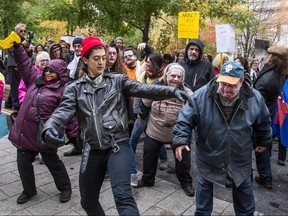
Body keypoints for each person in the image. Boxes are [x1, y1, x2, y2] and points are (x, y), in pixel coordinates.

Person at [41, 36, 191, 216]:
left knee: (123, 197)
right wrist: (49, 129)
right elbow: (61, 112)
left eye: (103, 58)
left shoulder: (118, 80)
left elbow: (145, 89)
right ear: (85, 60)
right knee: (87, 201)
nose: (101, 62)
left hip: (117, 145)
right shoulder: (75, 88)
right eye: (96, 58)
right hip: (92, 148)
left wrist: (172, 90)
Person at [173, 61, 272, 215]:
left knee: (244, 197)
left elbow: (264, 122)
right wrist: (180, 140)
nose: (226, 89)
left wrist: (264, 140)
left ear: (242, 82)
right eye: (223, 83)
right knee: (203, 198)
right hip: (208, 153)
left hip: (240, 156)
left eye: (232, 85)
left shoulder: (254, 98)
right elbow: (185, 119)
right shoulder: (202, 94)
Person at [8, 37, 78, 205]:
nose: (47, 73)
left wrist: (75, 136)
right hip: (26, 133)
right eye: (46, 70)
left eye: (52, 71)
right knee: (23, 162)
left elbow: (69, 115)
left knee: (52, 162)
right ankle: (29, 190)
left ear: (60, 73)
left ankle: (65, 187)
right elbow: (24, 64)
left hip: (45, 135)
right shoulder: (35, 81)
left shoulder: (63, 91)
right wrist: (18, 48)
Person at [135, 63, 194, 197]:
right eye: (173, 76)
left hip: (178, 133)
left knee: (183, 159)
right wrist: (142, 116)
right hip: (155, 129)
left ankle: (186, 182)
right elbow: (144, 105)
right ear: (166, 75)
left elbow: (194, 111)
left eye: (179, 77)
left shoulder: (187, 92)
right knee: (149, 155)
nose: (176, 79)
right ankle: (147, 180)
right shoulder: (156, 88)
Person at [130, 52, 168, 186]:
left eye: (149, 64)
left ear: (157, 65)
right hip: (142, 116)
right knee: (132, 140)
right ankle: (131, 165)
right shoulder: (143, 76)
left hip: (156, 117)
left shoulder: (164, 78)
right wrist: (136, 114)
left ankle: (163, 159)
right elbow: (138, 95)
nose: (146, 67)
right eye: (146, 64)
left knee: (157, 139)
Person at [253, 45, 288, 189]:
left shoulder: (270, 78)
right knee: (262, 146)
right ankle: (265, 176)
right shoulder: (278, 73)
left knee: (253, 144)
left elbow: (257, 100)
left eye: (269, 55)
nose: (267, 57)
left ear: (274, 58)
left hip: (260, 115)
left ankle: (263, 176)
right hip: (267, 114)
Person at [63, 35, 85, 157]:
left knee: (80, 121)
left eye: (79, 46)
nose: (77, 48)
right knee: (72, 121)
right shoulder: (71, 59)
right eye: (75, 46)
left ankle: (81, 145)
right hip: (71, 92)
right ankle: (77, 145)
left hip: (80, 93)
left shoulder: (85, 59)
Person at [4, 23, 27, 110]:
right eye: (21, 31)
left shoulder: (24, 39)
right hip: (13, 64)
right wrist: (21, 44)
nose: (23, 32)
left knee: (18, 83)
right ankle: (16, 104)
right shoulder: (12, 38)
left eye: (24, 31)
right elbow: (11, 50)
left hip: (21, 64)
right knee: (15, 84)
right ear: (16, 31)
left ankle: (8, 102)